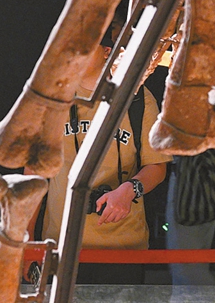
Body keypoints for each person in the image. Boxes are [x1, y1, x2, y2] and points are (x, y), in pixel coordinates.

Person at [40, 83, 171, 284]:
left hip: (123, 248)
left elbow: (157, 166)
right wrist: (26, 241)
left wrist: (131, 189)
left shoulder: (137, 97)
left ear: (106, 51)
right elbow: (33, 173)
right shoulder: (53, 94)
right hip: (60, 246)